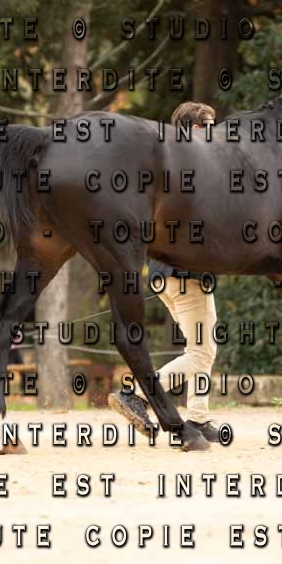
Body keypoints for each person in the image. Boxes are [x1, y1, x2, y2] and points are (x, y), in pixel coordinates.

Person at [109, 102, 223, 442]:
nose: (214, 131)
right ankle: (136, 394)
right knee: (201, 352)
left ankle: (198, 418)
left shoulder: (171, 165)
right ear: (192, 128)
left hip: (165, 273)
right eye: (207, 125)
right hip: (185, 274)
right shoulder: (195, 169)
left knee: (202, 347)